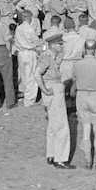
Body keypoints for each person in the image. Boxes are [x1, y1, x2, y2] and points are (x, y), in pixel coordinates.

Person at [35, 33, 75, 169]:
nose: (62, 46)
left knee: (53, 124)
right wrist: (44, 89)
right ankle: (61, 158)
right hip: (53, 88)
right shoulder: (47, 57)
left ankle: (51, 154)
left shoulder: (51, 56)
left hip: (51, 87)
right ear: (53, 45)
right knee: (62, 125)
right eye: (60, 44)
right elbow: (37, 73)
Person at [71, 40, 96, 170]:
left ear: (84, 49)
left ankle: (88, 160)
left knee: (86, 130)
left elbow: (75, 78)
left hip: (82, 96)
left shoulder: (77, 65)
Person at [14, 10, 44, 107]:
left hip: (21, 53)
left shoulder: (18, 28)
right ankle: (29, 100)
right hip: (30, 52)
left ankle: (23, 93)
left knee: (23, 75)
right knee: (31, 76)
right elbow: (37, 42)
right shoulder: (29, 29)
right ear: (29, 18)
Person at [60, 18, 86, 96]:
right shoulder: (82, 39)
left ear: (65, 28)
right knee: (76, 84)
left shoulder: (64, 38)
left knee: (64, 84)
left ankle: (66, 101)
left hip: (66, 62)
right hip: (78, 61)